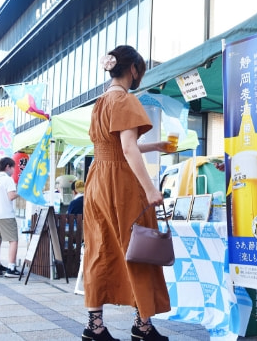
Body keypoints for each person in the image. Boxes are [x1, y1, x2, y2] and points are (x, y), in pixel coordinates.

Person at [82, 45, 171, 341]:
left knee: (99, 248)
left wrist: (153, 146)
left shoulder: (100, 102)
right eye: (139, 72)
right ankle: (142, 326)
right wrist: (150, 189)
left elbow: (115, 146)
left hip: (97, 180)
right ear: (133, 69)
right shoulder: (126, 100)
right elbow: (128, 148)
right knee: (139, 247)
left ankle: (95, 326)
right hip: (121, 184)